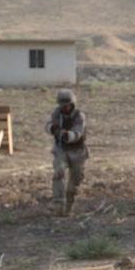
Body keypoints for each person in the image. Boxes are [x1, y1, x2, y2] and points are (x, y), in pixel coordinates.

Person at [46, 88, 88, 216]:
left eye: (67, 105)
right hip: (61, 150)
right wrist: (52, 127)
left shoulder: (79, 116)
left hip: (78, 152)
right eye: (62, 105)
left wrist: (67, 134)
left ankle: (69, 208)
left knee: (74, 182)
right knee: (58, 171)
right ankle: (57, 204)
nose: (64, 108)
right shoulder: (56, 113)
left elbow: (78, 132)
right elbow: (48, 125)